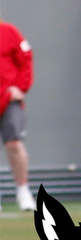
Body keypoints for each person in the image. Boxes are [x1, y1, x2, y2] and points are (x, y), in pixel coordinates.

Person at [0, 18, 33, 211]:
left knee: (14, 143)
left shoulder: (9, 32)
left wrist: (20, 88)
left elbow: (26, 59)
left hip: (8, 99)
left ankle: (23, 191)